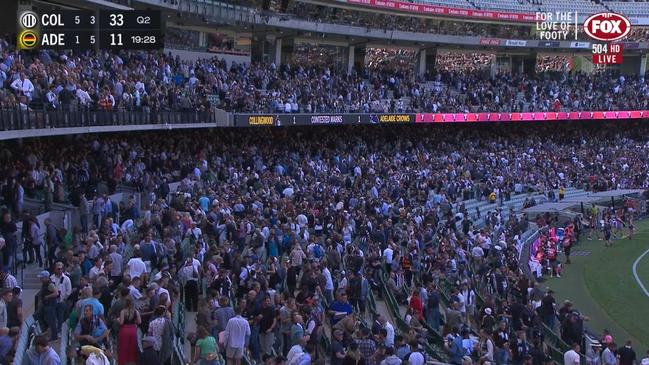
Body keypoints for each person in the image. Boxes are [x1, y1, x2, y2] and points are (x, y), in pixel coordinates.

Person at [117, 296, 141, 365]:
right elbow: (139, 321)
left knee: (123, 347)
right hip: (133, 330)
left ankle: (123, 362)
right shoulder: (136, 311)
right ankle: (132, 362)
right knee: (132, 347)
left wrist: (118, 320)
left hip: (124, 330)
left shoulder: (123, 311)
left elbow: (121, 322)